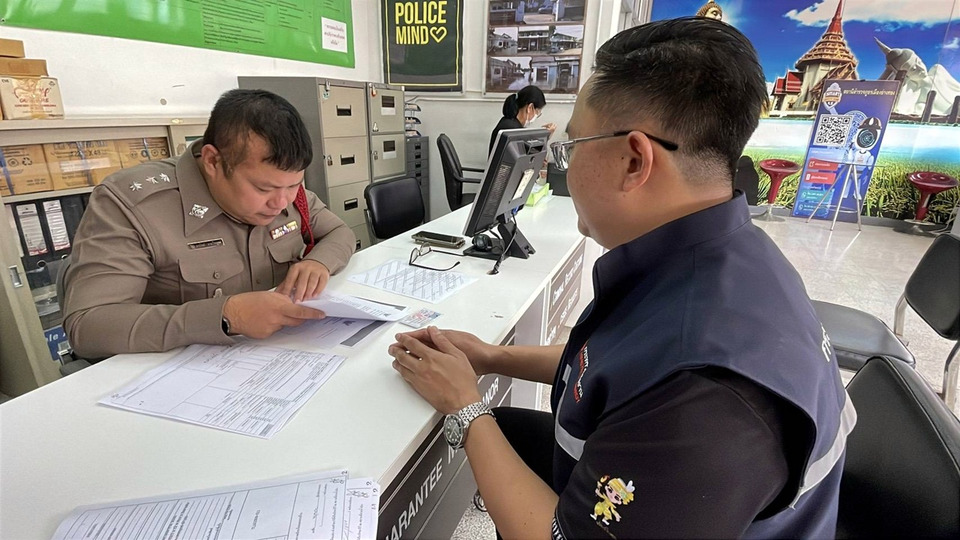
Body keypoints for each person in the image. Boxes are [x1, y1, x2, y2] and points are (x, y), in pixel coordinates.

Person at [389, 17, 853, 539]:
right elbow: (621, 364)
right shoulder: (722, 255)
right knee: (510, 430)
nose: (564, 167)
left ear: (634, 161)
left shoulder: (709, 400)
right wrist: (492, 357)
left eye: (571, 147)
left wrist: (464, 406)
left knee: (490, 429)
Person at [63, 89, 357, 359]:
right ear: (213, 161)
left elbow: (338, 232)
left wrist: (318, 262)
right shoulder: (131, 206)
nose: (281, 202)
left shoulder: (286, 190)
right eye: (263, 189)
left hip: (286, 355)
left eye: (294, 185)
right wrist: (226, 316)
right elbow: (88, 326)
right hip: (185, 371)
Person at [489, 85, 557, 154]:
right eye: (537, 112)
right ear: (530, 108)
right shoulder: (511, 128)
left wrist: (546, 136)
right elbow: (526, 154)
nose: (536, 116)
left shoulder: (511, 123)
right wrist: (545, 137)